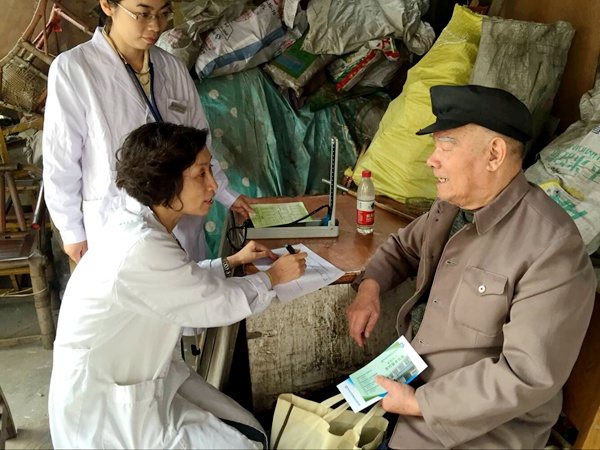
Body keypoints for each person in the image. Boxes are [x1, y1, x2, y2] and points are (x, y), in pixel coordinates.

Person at [346, 85, 597, 449]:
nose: (432, 160)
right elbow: (403, 247)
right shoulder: (453, 207)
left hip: (474, 434)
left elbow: (525, 375)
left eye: (445, 146)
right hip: (408, 390)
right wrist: (370, 288)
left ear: (494, 154)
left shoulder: (552, 248)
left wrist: (419, 403)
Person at [48, 122, 307, 449]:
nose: (213, 184)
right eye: (201, 174)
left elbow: (179, 282)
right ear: (165, 181)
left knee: (250, 432)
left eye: (210, 170)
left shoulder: (141, 225)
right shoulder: (140, 246)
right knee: (247, 444)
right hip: (103, 410)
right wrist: (273, 277)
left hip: (142, 379)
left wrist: (232, 262)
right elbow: (212, 304)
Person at [43, 0, 252, 264]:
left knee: (187, 282)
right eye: (143, 14)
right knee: (135, 284)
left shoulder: (172, 68)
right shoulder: (75, 69)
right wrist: (71, 231)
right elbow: (61, 159)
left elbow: (200, 145)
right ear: (107, 5)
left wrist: (226, 194)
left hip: (179, 220)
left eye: (163, 13)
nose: (155, 26)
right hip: (116, 220)